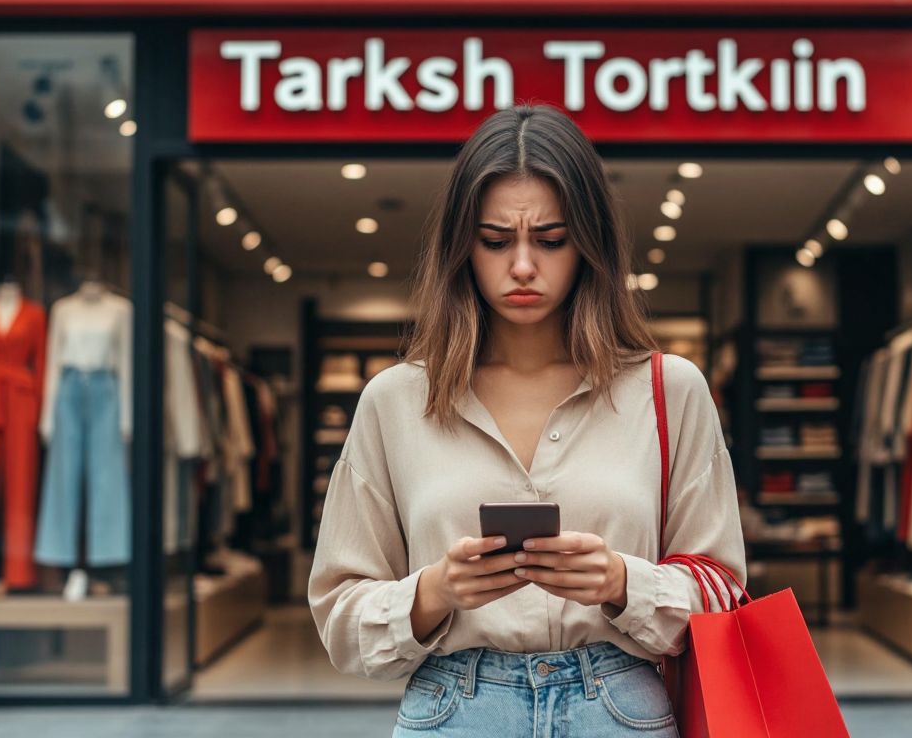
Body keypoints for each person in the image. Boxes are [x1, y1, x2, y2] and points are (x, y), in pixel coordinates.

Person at [308, 104, 746, 736]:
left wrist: (623, 582)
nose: (520, 265)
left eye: (549, 239)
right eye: (494, 241)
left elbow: (723, 596)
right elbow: (339, 618)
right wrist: (436, 591)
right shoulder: (395, 400)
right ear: (461, 247)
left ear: (588, 242)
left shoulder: (669, 390)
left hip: (619, 709)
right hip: (452, 709)